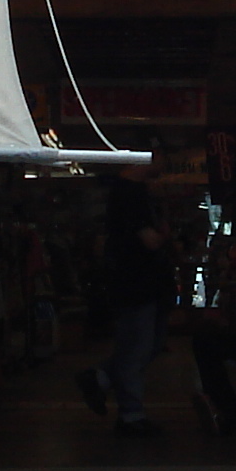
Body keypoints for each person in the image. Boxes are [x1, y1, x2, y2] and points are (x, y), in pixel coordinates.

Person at [93, 159, 169, 437]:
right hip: (136, 283)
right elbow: (150, 239)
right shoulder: (130, 194)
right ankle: (130, 413)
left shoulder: (133, 193)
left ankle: (102, 379)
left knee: (144, 345)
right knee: (138, 347)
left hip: (141, 283)